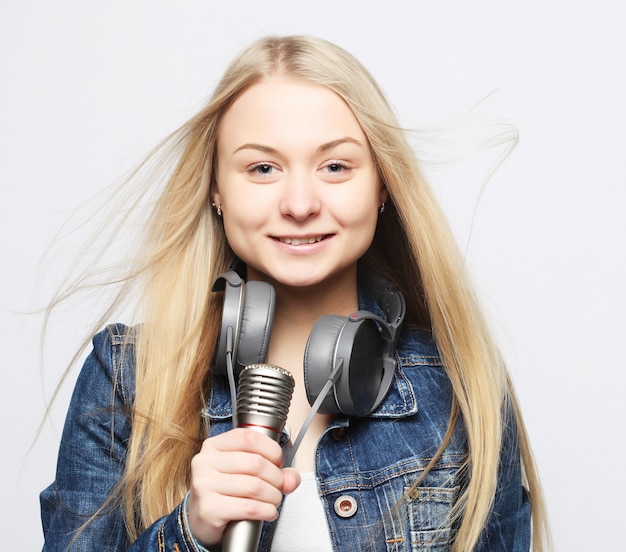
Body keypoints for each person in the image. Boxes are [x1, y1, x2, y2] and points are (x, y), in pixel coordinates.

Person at [40, 35, 550, 551]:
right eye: (262, 168)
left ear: (382, 186)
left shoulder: (462, 384)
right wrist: (188, 533)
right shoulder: (126, 379)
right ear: (216, 189)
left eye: (335, 166)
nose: (301, 203)